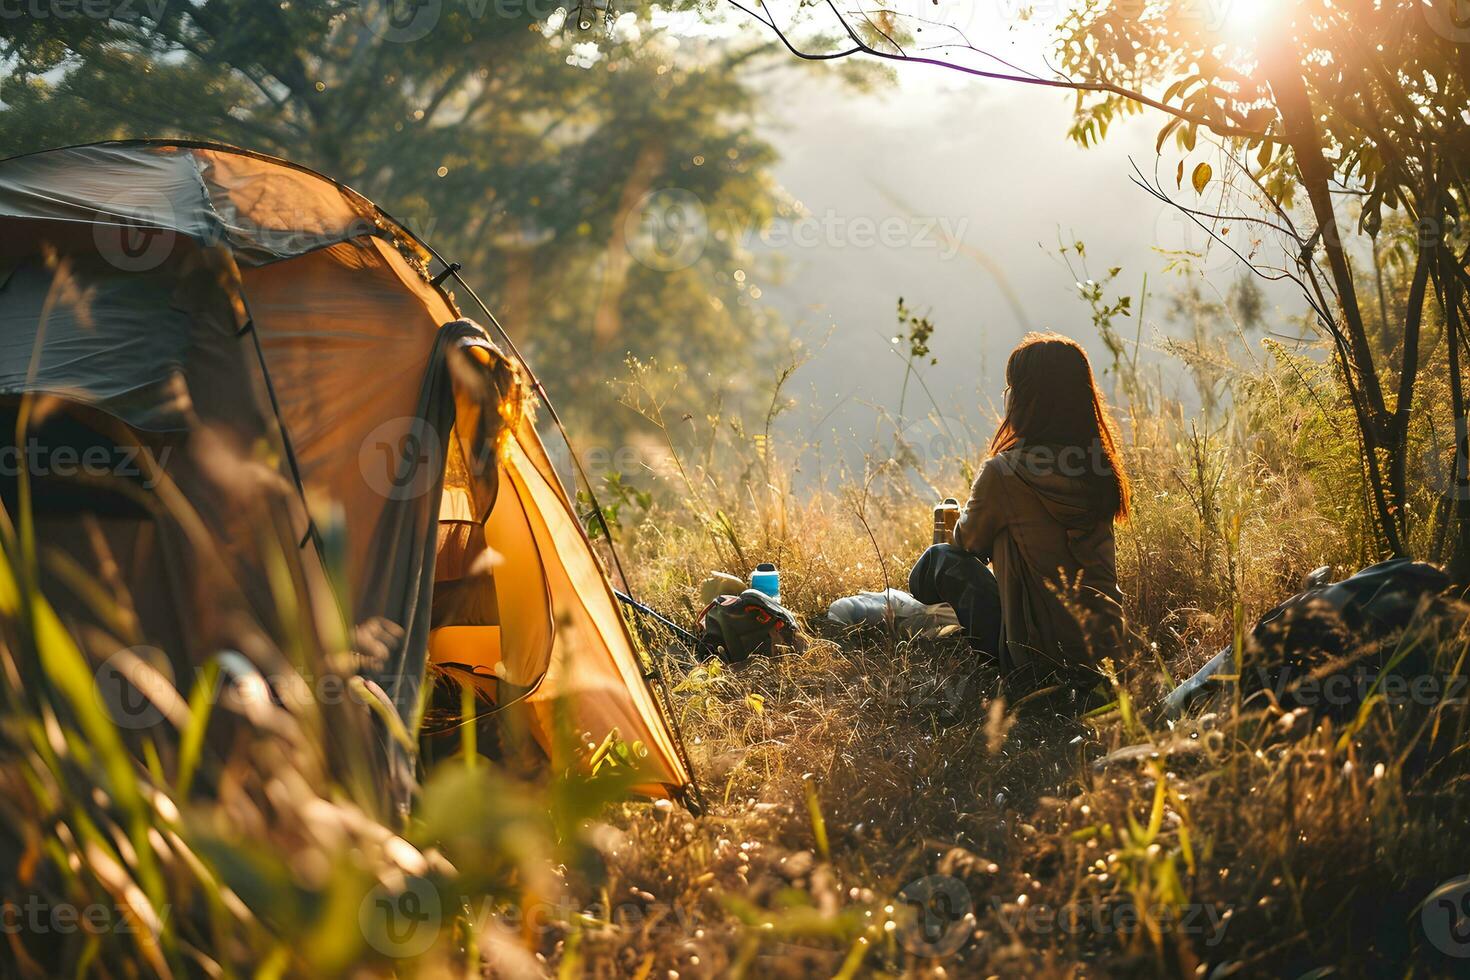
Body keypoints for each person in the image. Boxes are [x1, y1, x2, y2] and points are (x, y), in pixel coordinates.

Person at [909, 332, 1130, 689]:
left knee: (940, 560)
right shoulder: (1098, 467)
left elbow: (967, 544)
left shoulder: (1005, 472)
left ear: (1026, 399)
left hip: (1034, 657)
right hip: (1107, 650)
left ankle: (923, 615)